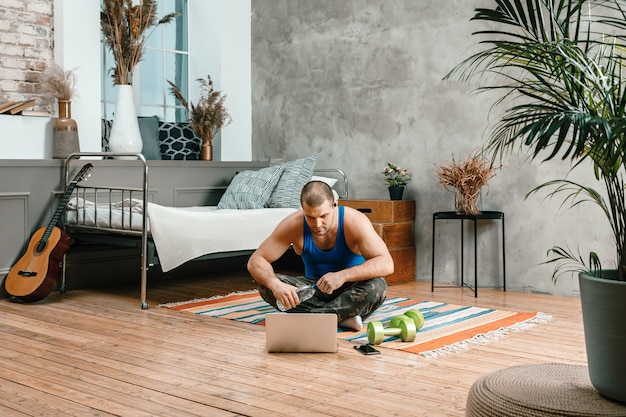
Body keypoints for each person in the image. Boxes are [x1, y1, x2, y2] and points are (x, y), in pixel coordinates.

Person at [247, 180, 393, 331]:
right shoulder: (293, 224)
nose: (317, 224)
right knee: (267, 286)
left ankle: (312, 320)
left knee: (377, 286)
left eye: (323, 215)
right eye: (310, 217)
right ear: (303, 209)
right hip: (313, 289)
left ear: (334, 205)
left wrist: (342, 276)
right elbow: (256, 261)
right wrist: (276, 285)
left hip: (350, 287)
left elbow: (386, 263)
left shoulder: (355, 221)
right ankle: (341, 318)